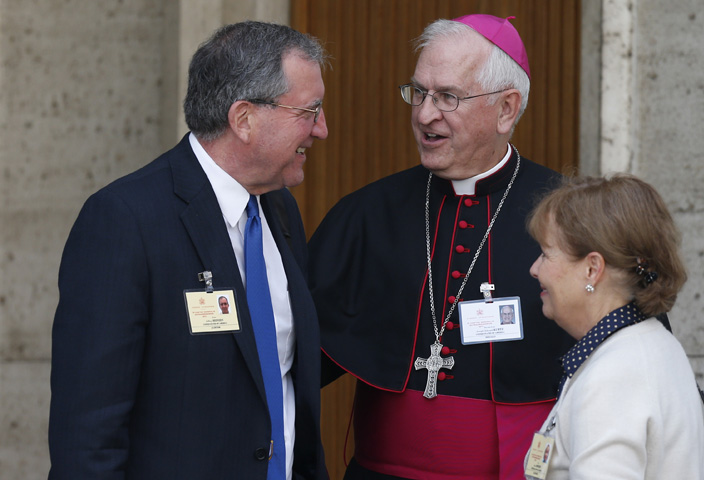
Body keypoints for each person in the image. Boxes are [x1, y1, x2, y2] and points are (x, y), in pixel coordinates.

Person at [49, 21, 330, 479]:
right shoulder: (125, 221)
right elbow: (88, 433)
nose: (322, 129)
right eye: (310, 111)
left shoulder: (280, 210)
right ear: (244, 119)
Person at [308, 14, 573, 479]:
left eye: (447, 97)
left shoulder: (573, 219)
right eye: (419, 92)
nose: (424, 114)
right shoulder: (366, 215)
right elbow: (295, 360)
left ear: (507, 109)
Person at [524, 174, 704, 479]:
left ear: (592, 268)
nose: (534, 269)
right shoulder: (647, 344)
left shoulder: (614, 375)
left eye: (546, 253)